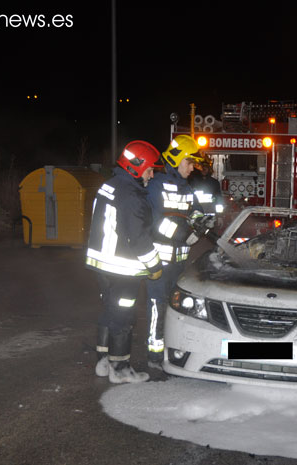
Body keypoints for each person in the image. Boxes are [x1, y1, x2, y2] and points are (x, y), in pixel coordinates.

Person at [85, 140, 164, 384]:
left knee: (109, 311)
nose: (151, 175)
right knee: (123, 317)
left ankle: (103, 361)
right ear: (136, 167)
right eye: (149, 169)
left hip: (102, 265)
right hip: (122, 268)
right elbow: (138, 238)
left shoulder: (111, 184)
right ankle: (119, 369)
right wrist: (155, 266)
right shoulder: (132, 195)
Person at [145, 135, 210, 368]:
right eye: (189, 162)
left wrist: (201, 220)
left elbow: (194, 209)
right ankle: (154, 355)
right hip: (160, 262)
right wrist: (182, 235)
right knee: (157, 306)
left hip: (179, 263)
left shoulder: (185, 186)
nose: (192, 168)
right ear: (176, 159)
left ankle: (174, 350)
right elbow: (155, 221)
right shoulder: (156, 185)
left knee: (177, 308)